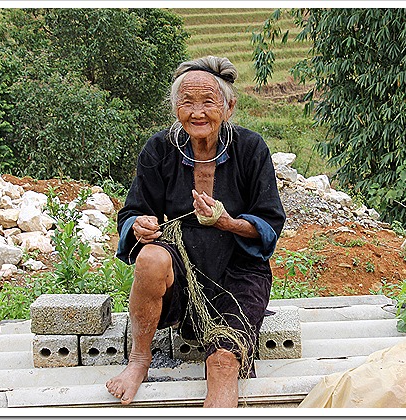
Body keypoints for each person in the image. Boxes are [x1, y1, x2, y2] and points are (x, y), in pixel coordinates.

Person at [106, 56, 286, 407]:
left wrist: (227, 223)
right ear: (175, 108)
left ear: (229, 106)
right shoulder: (160, 149)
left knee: (222, 363)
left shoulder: (250, 149)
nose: (197, 112)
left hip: (239, 270)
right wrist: (140, 225)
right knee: (150, 259)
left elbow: (269, 223)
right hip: (181, 266)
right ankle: (139, 361)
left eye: (208, 102)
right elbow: (132, 211)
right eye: (187, 103)